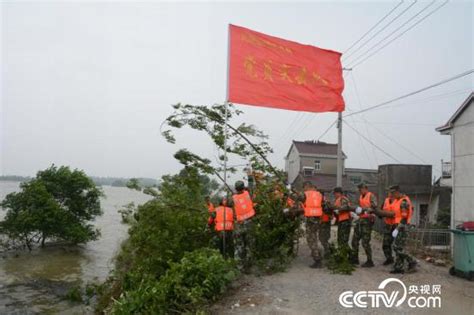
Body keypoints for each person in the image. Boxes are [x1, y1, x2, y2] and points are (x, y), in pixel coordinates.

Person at [389, 185, 417, 274]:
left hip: (402, 227)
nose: (392, 195)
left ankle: (412, 261)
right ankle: (398, 267)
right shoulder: (398, 200)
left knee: (396, 247)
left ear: (397, 192)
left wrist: (397, 228)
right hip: (399, 226)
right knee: (398, 247)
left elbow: (404, 218)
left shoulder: (403, 202)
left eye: (393, 193)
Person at [351, 183, 377, 267]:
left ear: (365, 188)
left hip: (367, 221)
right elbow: (359, 206)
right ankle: (354, 259)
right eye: (359, 190)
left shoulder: (371, 195)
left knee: (365, 242)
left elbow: (374, 206)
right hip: (360, 220)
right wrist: (356, 213)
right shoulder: (361, 196)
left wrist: (366, 210)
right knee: (354, 240)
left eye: (361, 189)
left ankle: (370, 261)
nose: (360, 191)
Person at [232, 180, 256, 269]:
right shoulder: (248, 194)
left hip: (239, 225)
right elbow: (251, 185)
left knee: (239, 246)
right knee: (249, 245)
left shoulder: (232, 198)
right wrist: (250, 176)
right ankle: (249, 266)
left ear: (235, 188)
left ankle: (239, 267)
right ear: (243, 187)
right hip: (249, 224)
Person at [302, 181, 324, 268]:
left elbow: (296, 197)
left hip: (310, 219)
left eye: (304, 187)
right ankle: (319, 255)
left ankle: (317, 260)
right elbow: (325, 205)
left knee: (311, 240)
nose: (303, 189)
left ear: (307, 186)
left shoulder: (306, 194)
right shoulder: (319, 194)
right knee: (314, 238)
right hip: (317, 219)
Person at [332, 187, 352, 251]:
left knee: (344, 239)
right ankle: (341, 253)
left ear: (338, 193)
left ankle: (349, 255)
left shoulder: (343, 199)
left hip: (345, 221)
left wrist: (339, 210)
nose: (334, 195)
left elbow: (346, 207)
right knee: (340, 238)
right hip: (341, 221)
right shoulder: (337, 199)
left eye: (335, 193)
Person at [381, 191, 397, 265]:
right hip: (388, 225)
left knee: (397, 245)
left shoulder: (398, 201)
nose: (390, 195)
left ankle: (401, 261)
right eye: (389, 193)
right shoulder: (386, 201)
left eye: (391, 193)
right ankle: (389, 258)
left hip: (396, 225)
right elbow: (381, 211)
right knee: (385, 244)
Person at [319, 193, 333, 259]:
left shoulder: (326, 203)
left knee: (324, 238)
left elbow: (330, 213)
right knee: (322, 238)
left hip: (326, 222)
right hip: (322, 222)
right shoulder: (320, 202)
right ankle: (330, 250)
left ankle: (328, 253)